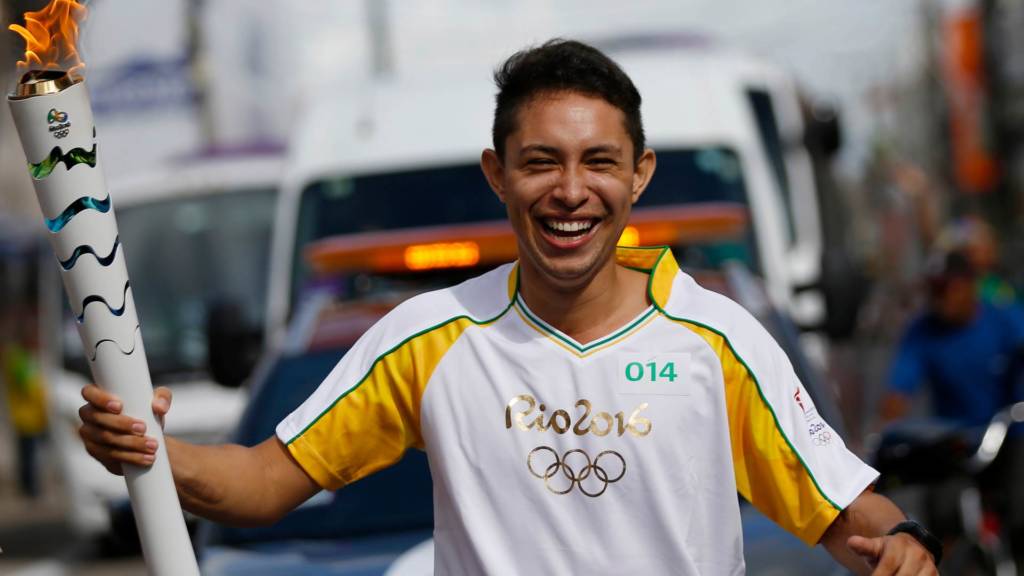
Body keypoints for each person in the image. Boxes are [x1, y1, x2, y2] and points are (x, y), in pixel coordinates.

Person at [79, 40, 939, 574]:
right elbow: (265, 483)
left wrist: (902, 541)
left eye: (599, 162)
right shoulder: (428, 340)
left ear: (639, 175)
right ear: (498, 174)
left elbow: (840, 508)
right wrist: (152, 450)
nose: (571, 191)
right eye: (541, 162)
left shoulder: (715, 338)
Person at [881, 248, 1024, 560]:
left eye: (947, 289)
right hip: (956, 442)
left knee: (1020, 510)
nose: (939, 299)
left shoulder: (1003, 318)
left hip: (1009, 433)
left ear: (969, 286)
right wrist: (886, 432)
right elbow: (898, 391)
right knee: (942, 519)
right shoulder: (923, 330)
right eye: (934, 290)